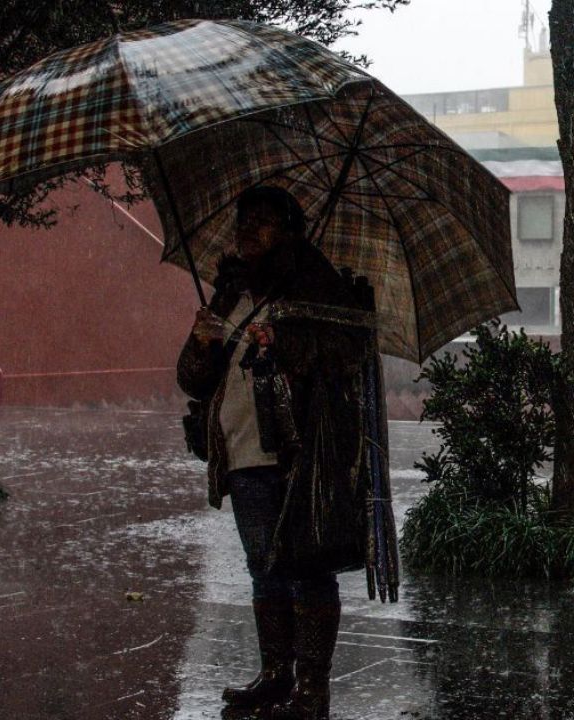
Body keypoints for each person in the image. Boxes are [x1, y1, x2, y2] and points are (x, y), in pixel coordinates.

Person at [177, 186, 368, 720]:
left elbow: (349, 350)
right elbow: (192, 382)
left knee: (308, 568)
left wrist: (285, 343)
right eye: (244, 220)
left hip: (297, 453)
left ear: (288, 230)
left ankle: (311, 688)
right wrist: (201, 343)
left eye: (262, 221)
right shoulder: (230, 291)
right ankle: (275, 674)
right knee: (263, 568)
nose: (248, 230)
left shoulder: (314, 286)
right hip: (240, 454)